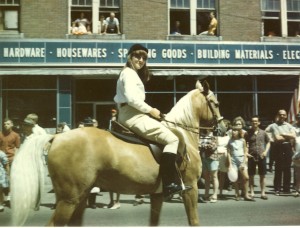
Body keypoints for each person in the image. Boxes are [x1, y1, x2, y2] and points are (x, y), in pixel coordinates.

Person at [114, 43, 190, 198]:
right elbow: (132, 99)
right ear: (130, 56)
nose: (141, 60)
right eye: (137, 56)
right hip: (132, 116)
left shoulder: (131, 73)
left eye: (144, 57)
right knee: (172, 140)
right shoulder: (128, 73)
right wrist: (151, 110)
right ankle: (169, 183)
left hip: (132, 114)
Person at [268, 109, 296, 195]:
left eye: (284, 115)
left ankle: (286, 189)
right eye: (280, 114)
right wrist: (271, 138)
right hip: (278, 147)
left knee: (287, 168)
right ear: (278, 115)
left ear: (286, 116)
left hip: (287, 147)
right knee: (278, 168)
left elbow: (293, 136)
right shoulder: (273, 126)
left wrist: (282, 135)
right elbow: (267, 133)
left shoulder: (289, 126)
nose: (282, 116)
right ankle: (277, 188)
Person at [244, 115, 270, 200]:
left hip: (261, 156)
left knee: (262, 175)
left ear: (259, 122)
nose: (254, 122)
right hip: (251, 156)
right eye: (253, 121)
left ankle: (263, 193)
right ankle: (252, 192)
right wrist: (246, 153)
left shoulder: (263, 132)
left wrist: (266, 152)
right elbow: (245, 144)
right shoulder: (248, 133)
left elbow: (269, 142)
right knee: (251, 175)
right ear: (251, 123)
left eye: (256, 121)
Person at [227, 125, 254, 201]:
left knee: (246, 178)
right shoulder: (230, 141)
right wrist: (230, 164)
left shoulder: (242, 140)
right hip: (233, 160)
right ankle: (237, 193)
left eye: (235, 131)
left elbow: (245, 152)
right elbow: (228, 153)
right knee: (235, 178)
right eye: (233, 130)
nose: (234, 132)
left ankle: (246, 194)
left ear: (239, 132)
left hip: (241, 160)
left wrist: (244, 162)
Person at [104, 109, 121, 209]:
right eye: (111, 112)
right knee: (110, 181)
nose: (112, 113)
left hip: (116, 143)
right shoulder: (110, 120)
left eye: (114, 112)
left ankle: (117, 201)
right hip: (111, 143)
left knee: (117, 180)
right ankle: (111, 201)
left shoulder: (118, 121)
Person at [199, 130, 219, 203]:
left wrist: (202, 145)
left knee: (214, 176)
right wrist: (203, 145)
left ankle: (215, 194)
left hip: (212, 158)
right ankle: (206, 194)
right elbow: (198, 144)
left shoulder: (214, 136)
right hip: (204, 158)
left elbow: (212, 147)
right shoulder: (202, 136)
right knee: (206, 177)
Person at [292, 112, 300, 197]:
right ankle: (297, 189)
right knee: (297, 173)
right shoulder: (294, 128)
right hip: (297, 153)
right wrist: (294, 152)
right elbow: (292, 143)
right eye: (298, 118)